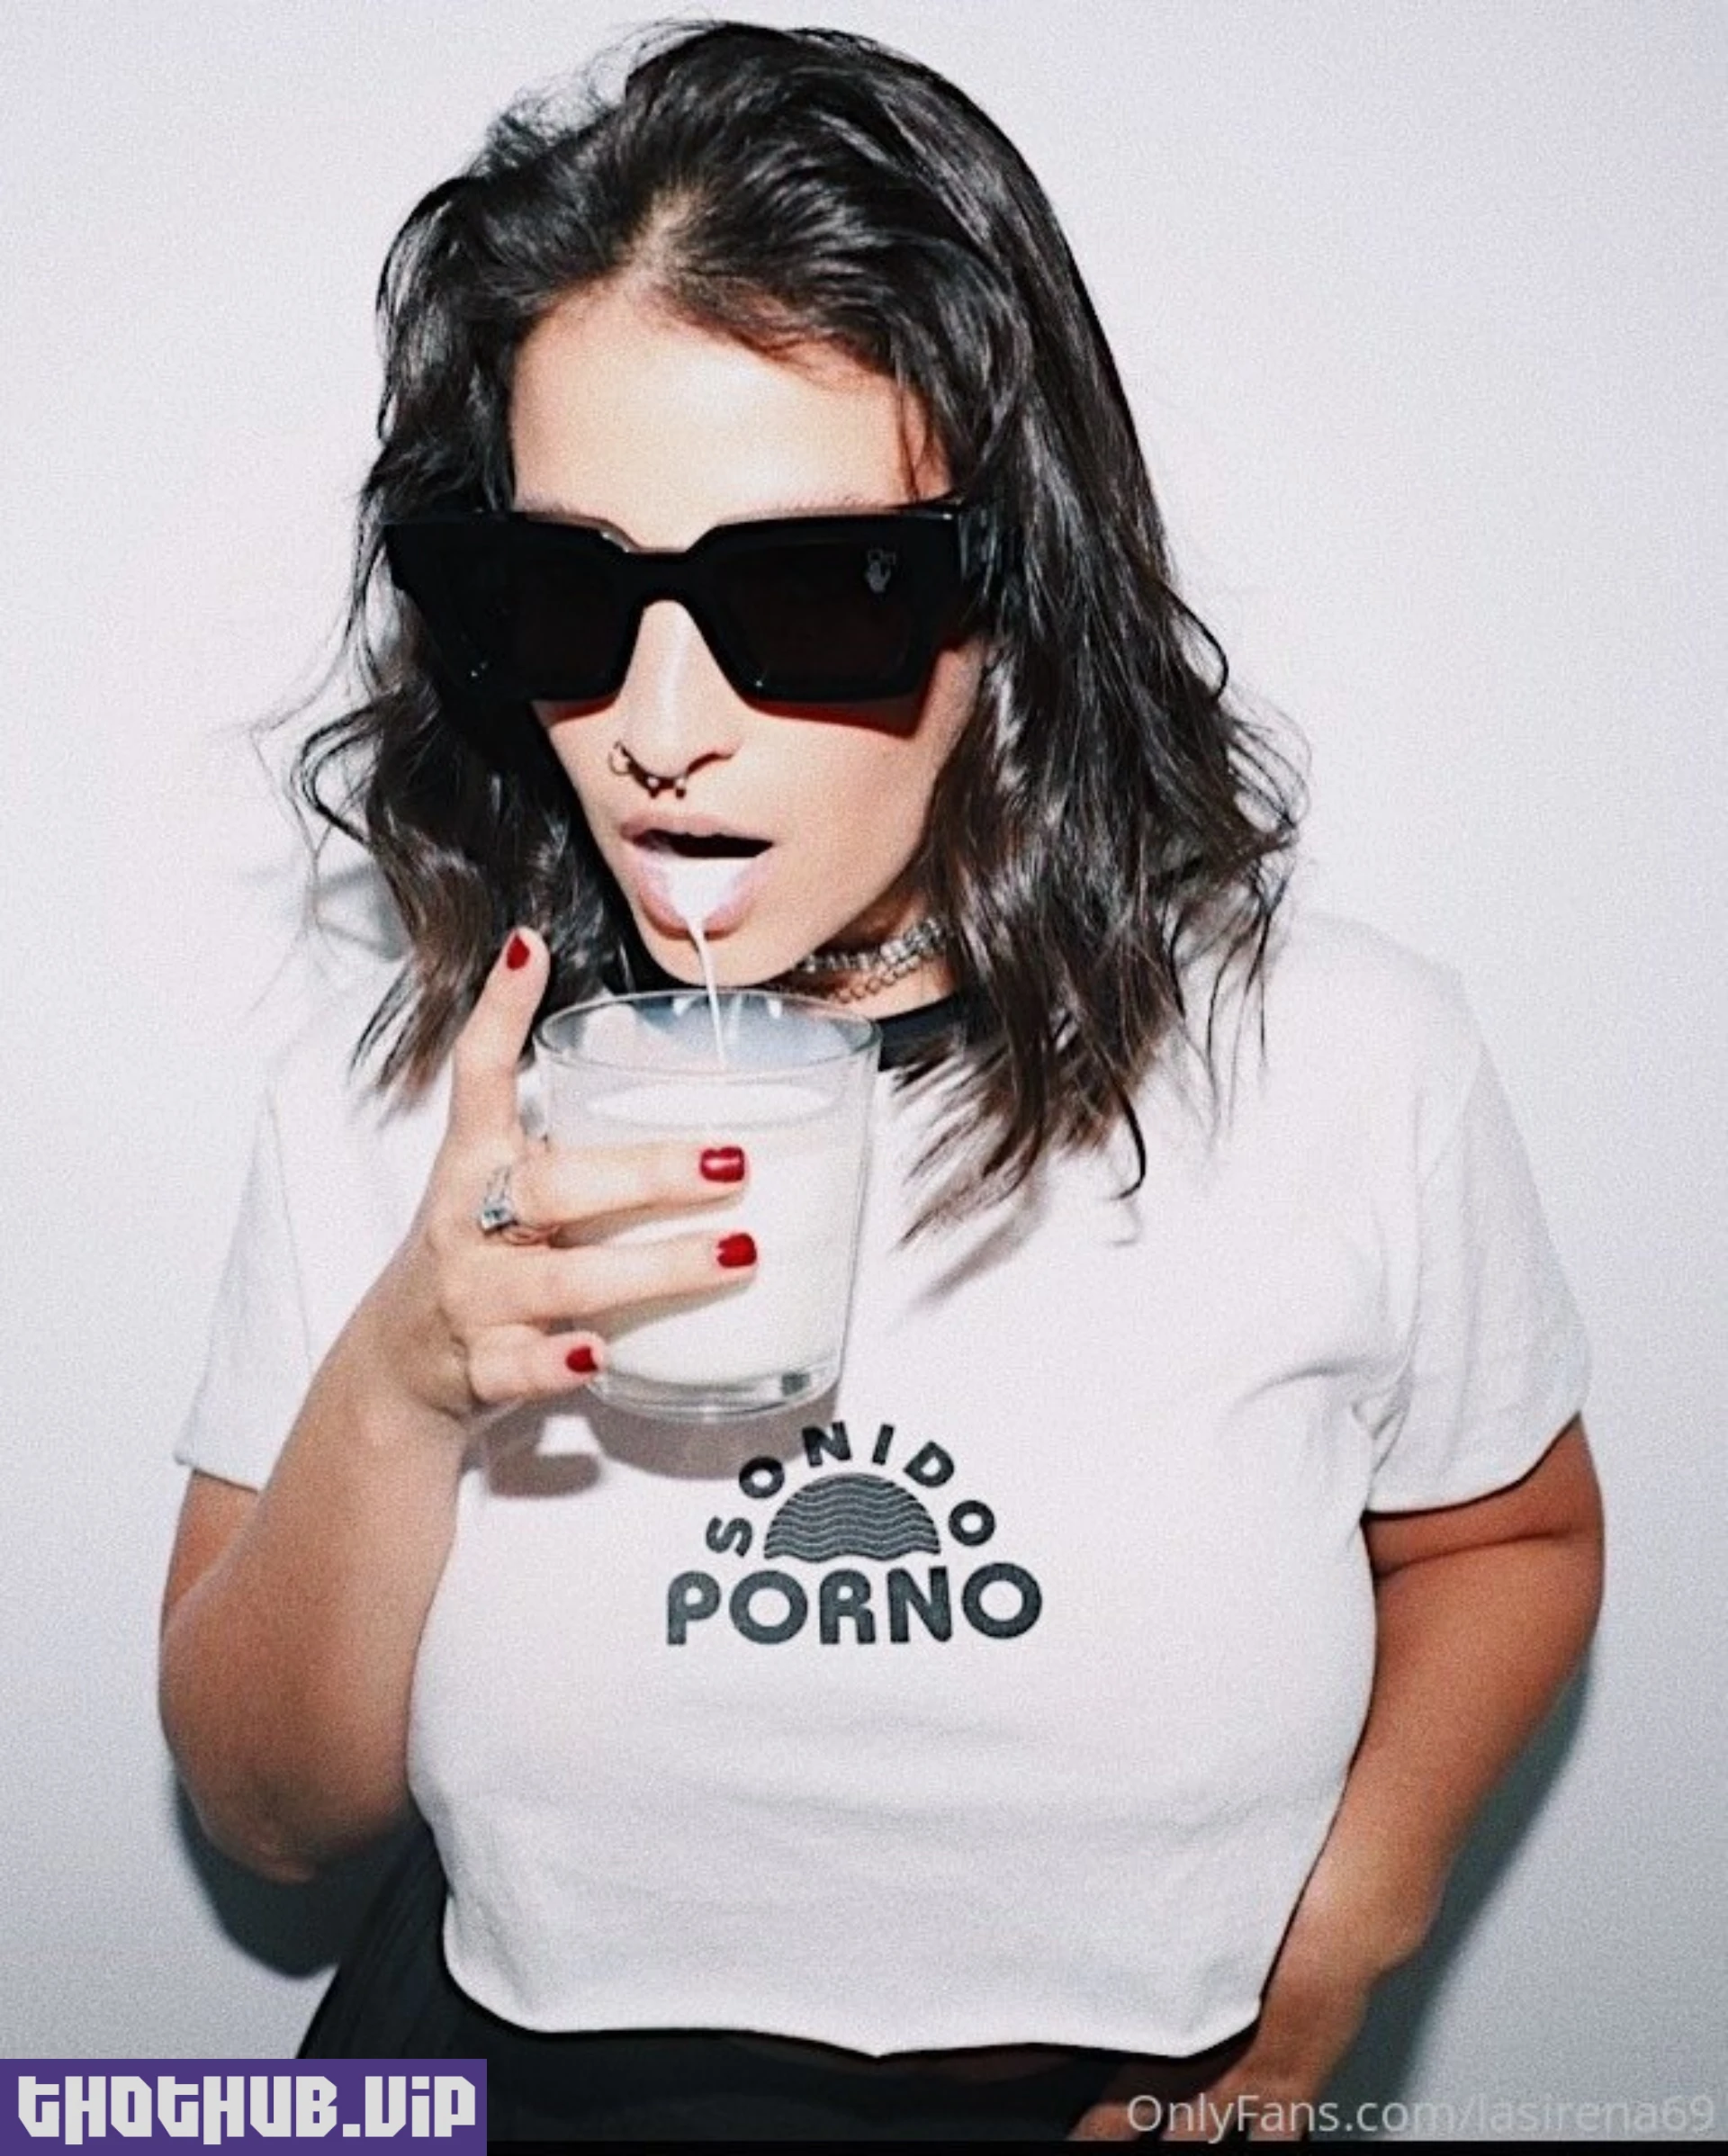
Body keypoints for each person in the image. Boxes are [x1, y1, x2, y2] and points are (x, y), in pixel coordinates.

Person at [160, 22, 1603, 2143]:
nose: (660, 726)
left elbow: (1513, 1536)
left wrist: (1334, 1956)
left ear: (1009, 600)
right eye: (565, 592)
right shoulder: (408, 1094)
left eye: (806, 596)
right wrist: (404, 1375)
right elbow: (271, 1817)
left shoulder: (1340, 1058)